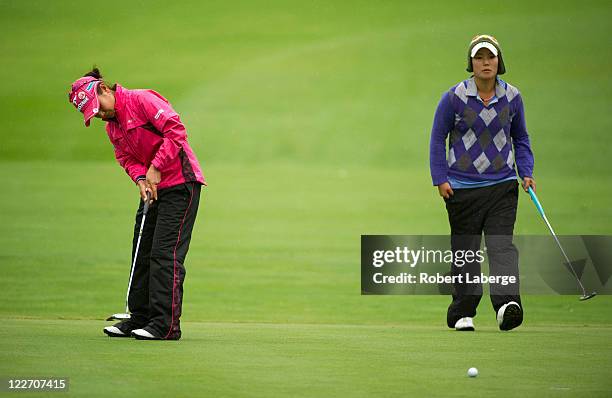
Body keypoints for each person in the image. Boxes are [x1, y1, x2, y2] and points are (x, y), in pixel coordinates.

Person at [68, 68, 206, 340]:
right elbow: (125, 157)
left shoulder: (141, 100)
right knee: (141, 252)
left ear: (105, 90)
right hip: (152, 190)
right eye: (92, 114)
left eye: (98, 108)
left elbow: (176, 130)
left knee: (164, 254)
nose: (99, 115)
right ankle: (140, 317)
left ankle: (165, 326)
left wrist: (156, 167)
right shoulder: (112, 126)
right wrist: (141, 178)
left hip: (180, 184)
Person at [429, 35, 535, 331]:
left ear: (499, 62)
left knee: (501, 247)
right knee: (466, 250)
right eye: (479, 57)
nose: (485, 62)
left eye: (491, 57)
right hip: (461, 188)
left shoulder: (512, 97)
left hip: (502, 186)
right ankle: (463, 311)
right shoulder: (454, 98)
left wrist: (526, 171)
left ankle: (506, 306)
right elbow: (438, 138)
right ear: (471, 63)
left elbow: (521, 137)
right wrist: (440, 178)